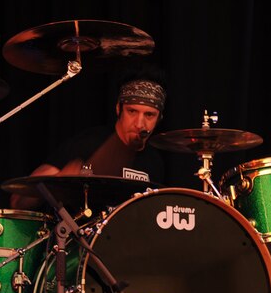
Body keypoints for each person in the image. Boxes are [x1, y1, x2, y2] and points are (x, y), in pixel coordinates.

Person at [9, 67, 167, 210]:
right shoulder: (86, 144)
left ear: (159, 118)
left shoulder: (155, 161)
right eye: (132, 111)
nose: (140, 123)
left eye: (149, 115)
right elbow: (18, 201)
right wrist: (56, 182)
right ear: (118, 109)